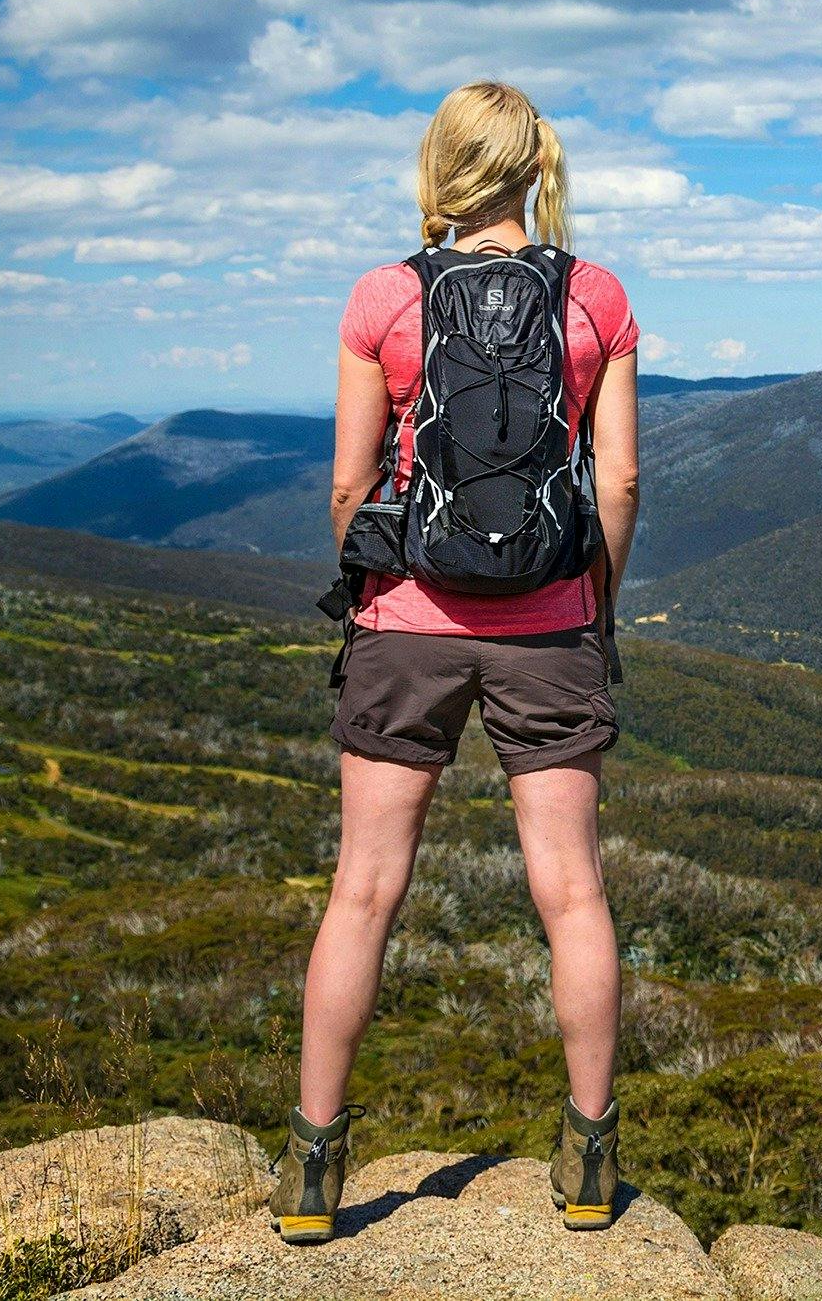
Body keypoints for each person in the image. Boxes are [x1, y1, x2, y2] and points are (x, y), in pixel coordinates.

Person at [274, 82, 642, 1244]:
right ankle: (588, 1161)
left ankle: (314, 1169)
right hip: (549, 629)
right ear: (535, 168)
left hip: (404, 628)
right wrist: (593, 602)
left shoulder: (383, 293)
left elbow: (346, 482)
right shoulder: (596, 294)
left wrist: (370, 585)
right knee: (572, 890)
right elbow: (620, 482)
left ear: (442, 164)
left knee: (364, 890)